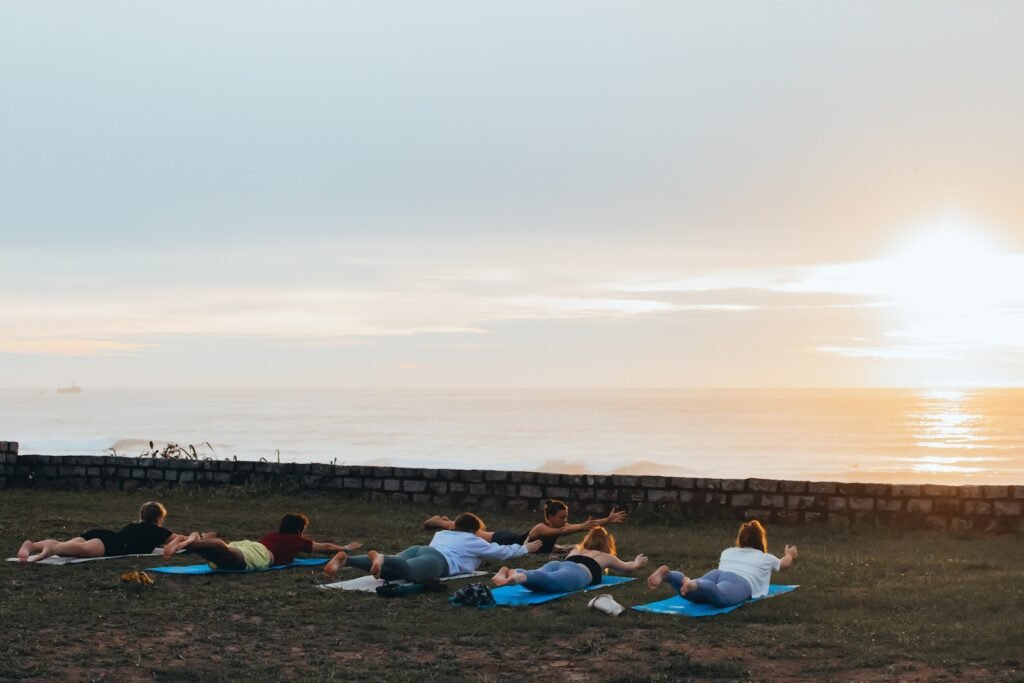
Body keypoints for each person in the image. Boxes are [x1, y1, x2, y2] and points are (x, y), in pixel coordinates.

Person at [325, 512, 542, 584]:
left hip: (419, 549)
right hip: (439, 561)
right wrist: (526, 549)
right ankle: (380, 557)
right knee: (410, 573)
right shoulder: (472, 540)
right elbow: (500, 551)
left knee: (390, 572)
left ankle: (347, 560)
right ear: (474, 531)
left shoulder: (443, 533)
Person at [647, 519, 798, 607]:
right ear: (760, 540)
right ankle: (696, 583)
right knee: (720, 598)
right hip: (740, 582)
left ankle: (669, 576)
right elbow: (784, 564)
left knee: (694, 596)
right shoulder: (765, 558)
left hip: (716, 574)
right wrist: (789, 555)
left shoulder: (728, 551)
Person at [162, 512, 360, 571]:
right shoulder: (297, 541)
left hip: (253, 545)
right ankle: (191, 540)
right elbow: (324, 548)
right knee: (224, 551)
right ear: (299, 531)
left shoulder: (273, 535)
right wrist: (345, 547)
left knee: (222, 551)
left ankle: (192, 539)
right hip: (261, 554)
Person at [422, 499, 627, 554]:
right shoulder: (541, 528)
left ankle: (445, 520)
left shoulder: (557, 527)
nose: (565, 520)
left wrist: (606, 521)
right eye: (561, 517)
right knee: (470, 531)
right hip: (503, 540)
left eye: (567, 517)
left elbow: (581, 526)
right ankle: (439, 522)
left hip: (508, 537)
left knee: (472, 531)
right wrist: (582, 526)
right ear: (550, 517)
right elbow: (567, 530)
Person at [17, 501, 188, 563]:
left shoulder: (134, 526)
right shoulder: (158, 531)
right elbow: (178, 539)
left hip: (102, 535)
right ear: (159, 518)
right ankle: (51, 549)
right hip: (112, 544)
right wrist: (194, 537)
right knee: (79, 551)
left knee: (68, 545)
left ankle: (32, 546)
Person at [491, 526, 647, 592]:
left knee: (538, 581)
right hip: (576, 572)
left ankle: (508, 571)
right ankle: (517, 576)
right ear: (607, 544)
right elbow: (628, 567)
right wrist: (638, 562)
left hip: (558, 564)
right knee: (547, 582)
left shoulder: (577, 549)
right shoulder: (606, 556)